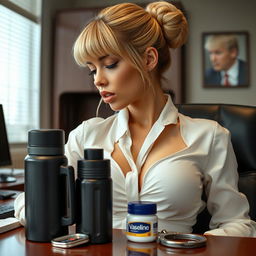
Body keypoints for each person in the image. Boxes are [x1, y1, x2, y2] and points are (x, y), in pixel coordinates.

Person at [14, 1, 256, 236]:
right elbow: (27, 201)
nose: (97, 80)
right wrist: (41, 210)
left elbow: (237, 224)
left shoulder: (209, 136)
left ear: (148, 59)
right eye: (92, 69)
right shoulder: (88, 134)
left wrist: (196, 248)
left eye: (110, 64)